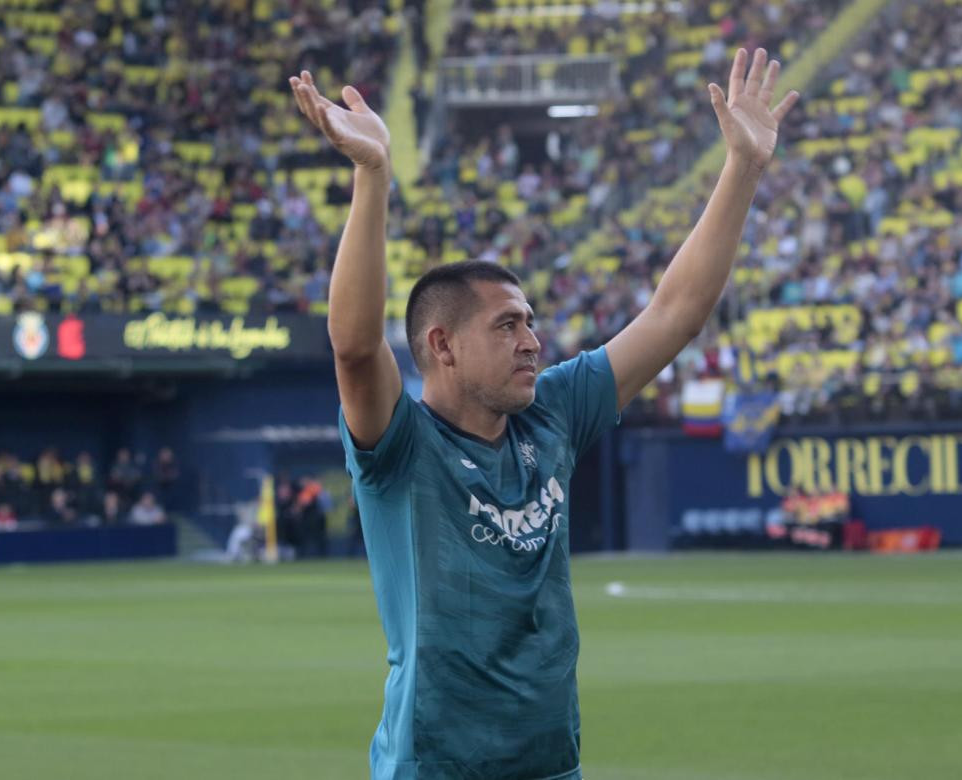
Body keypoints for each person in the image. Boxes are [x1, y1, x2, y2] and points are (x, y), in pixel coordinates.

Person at [290, 46, 798, 779]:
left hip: (552, 763)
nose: (533, 341)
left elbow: (675, 314)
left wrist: (743, 167)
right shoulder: (399, 446)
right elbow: (354, 344)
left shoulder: (551, 413)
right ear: (443, 346)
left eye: (531, 321)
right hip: (436, 766)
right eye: (507, 326)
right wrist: (373, 177)